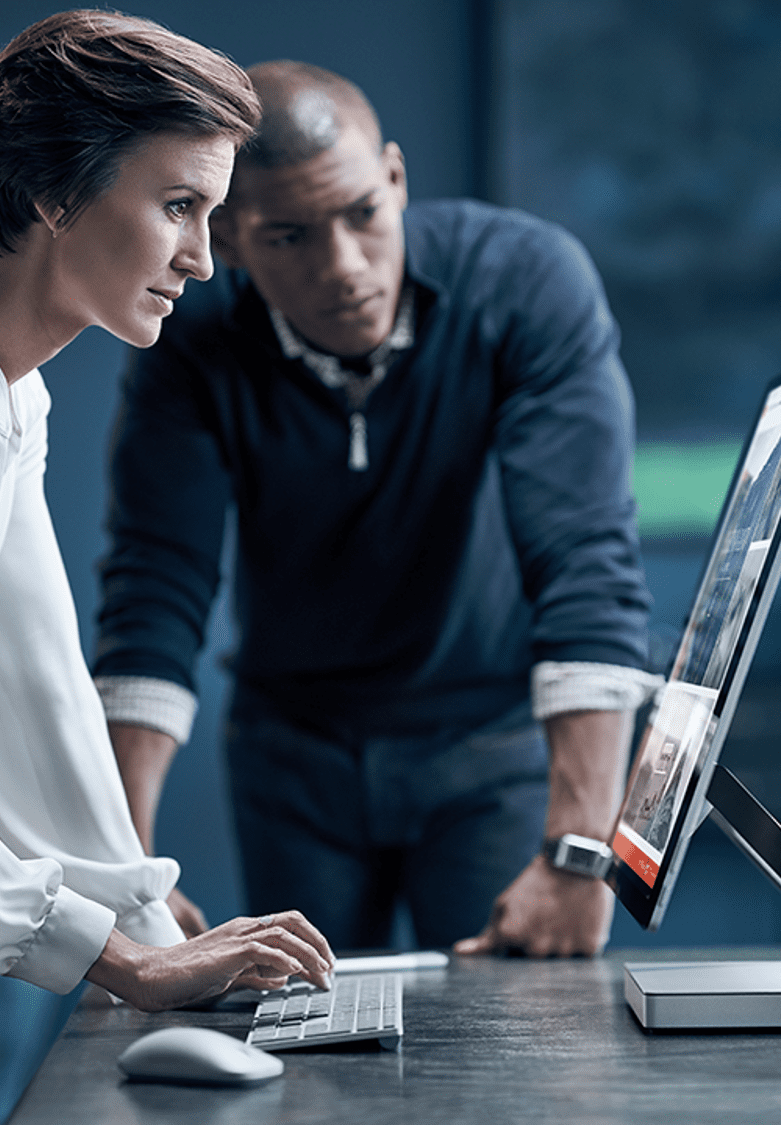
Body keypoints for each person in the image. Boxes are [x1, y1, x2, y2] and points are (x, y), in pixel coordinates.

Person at [95, 60, 659, 958]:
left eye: (363, 213)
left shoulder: (524, 282)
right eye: (288, 237)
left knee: (517, 1061)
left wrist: (580, 853)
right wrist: (117, 872)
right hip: (295, 752)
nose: (345, 267)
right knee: (303, 1059)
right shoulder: (190, 346)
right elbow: (156, 592)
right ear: (229, 242)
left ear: (394, 178)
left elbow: (585, 560)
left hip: (490, 743)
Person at [0, 13, 333, 1012]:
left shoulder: (20, 396)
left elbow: (37, 691)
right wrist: (122, 957)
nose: (202, 260)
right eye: (179, 205)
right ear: (53, 190)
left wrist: (131, 899)